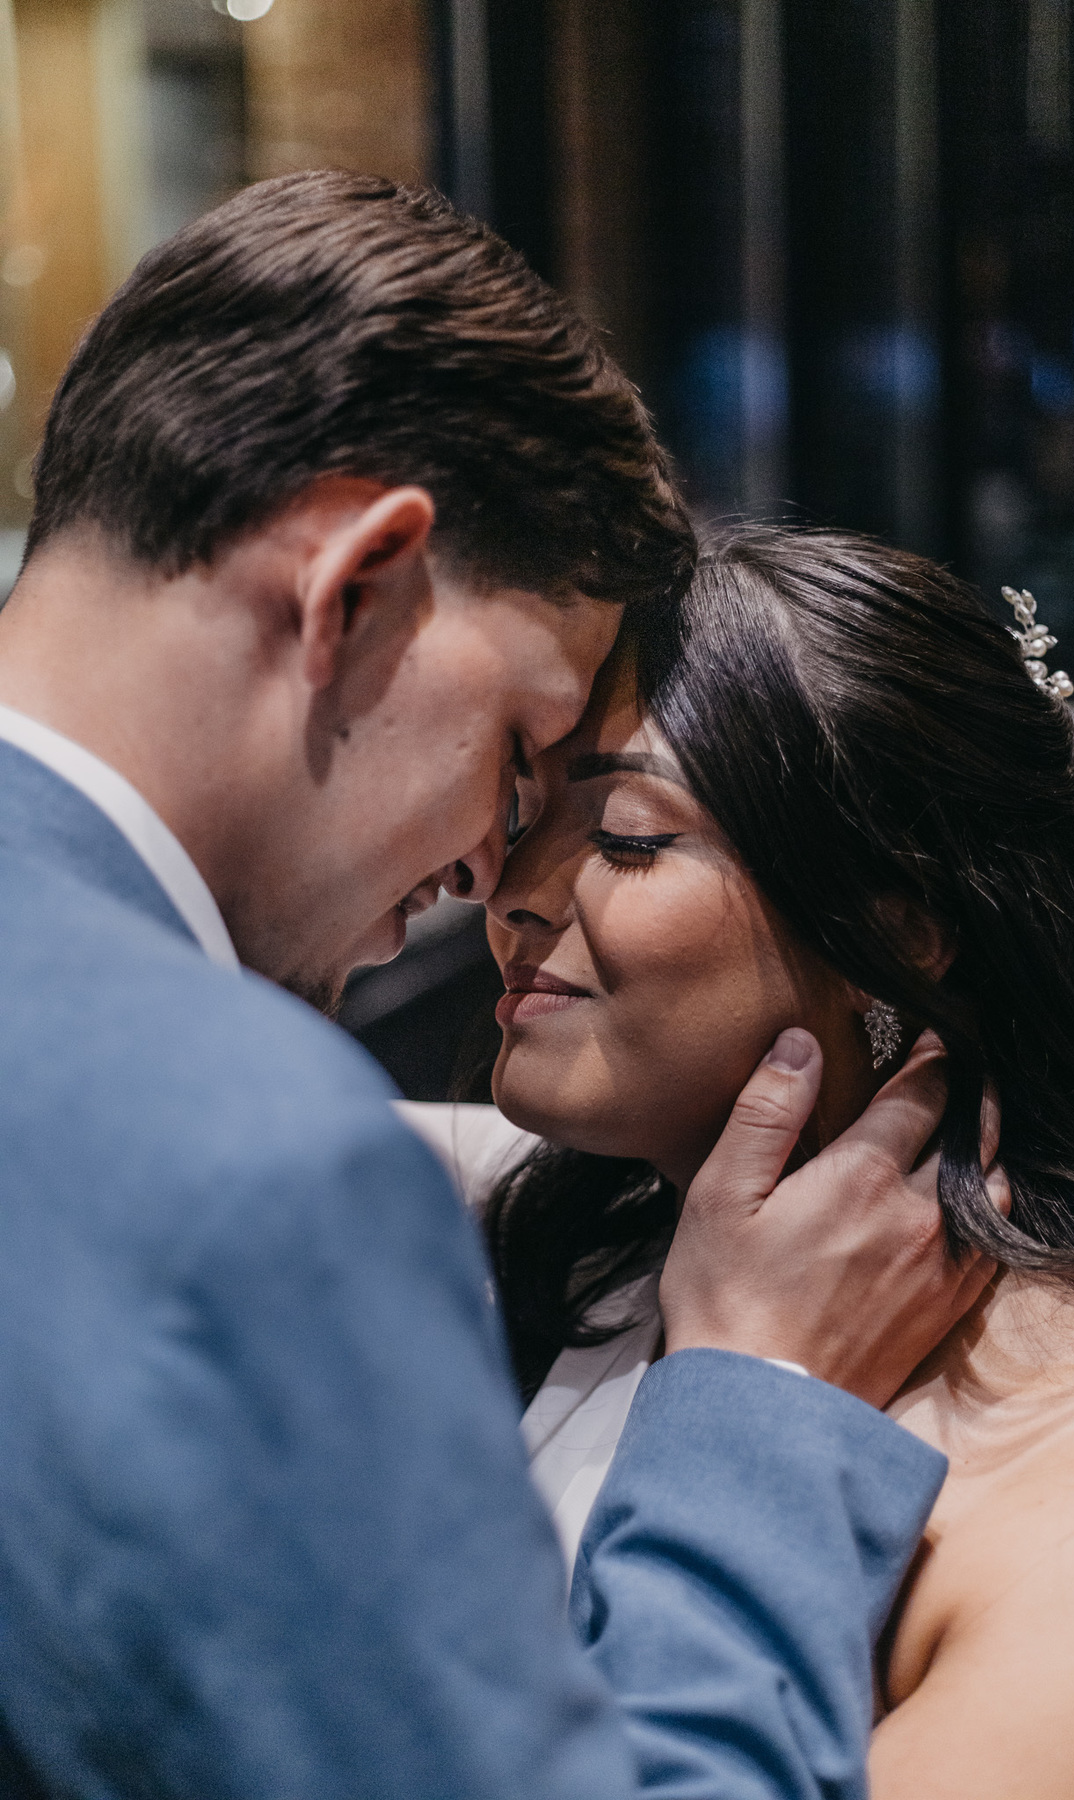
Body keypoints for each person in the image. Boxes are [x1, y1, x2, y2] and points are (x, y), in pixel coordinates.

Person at [0, 174, 990, 1800]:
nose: (488, 870)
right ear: (357, 583)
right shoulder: (247, 1150)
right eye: (522, 744)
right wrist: (762, 1399)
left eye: (623, 828)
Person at [440, 526, 1074, 1800]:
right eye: (523, 813)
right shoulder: (578, 1243)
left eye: (625, 836)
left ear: (894, 928)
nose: (511, 889)